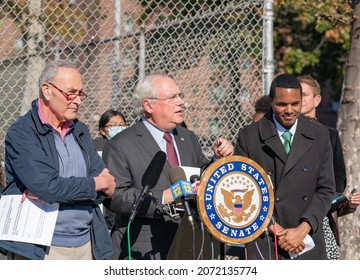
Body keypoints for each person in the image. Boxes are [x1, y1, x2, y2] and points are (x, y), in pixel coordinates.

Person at [102, 73, 234, 260]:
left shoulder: (187, 137)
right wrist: (161, 198)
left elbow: (200, 178)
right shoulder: (121, 144)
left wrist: (216, 160)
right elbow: (115, 197)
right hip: (144, 247)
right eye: (172, 98)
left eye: (180, 96)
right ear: (149, 105)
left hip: (190, 240)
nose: (181, 102)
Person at [0, 60, 116, 260]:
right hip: (41, 248)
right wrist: (94, 184)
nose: (78, 100)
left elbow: (107, 187)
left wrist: (61, 189)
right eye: (71, 93)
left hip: (87, 243)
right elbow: (49, 187)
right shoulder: (23, 133)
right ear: (47, 90)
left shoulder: (80, 130)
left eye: (81, 93)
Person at [234, 73, 335, 260]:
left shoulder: (319, 134)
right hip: (266, 239)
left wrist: (303, 229)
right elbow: (241, 188)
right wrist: (273, 228)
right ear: (271, 101)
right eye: (282, 104)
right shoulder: (249, 136)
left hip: (307, 239)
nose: (289, 110)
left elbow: (326, 188)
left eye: (295, 104)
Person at [298, 74, 360, 259]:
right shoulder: (285, 134)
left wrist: (341, 201)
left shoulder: (330, 135)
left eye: (304, 95)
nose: (299, 100)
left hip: (319, 217)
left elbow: (338, 180)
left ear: (317, 100)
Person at [93, 109, 127, 231]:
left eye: (121, 125)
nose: (117, 128)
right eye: (112, 126)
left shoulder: (130, 147)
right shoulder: (96, 149)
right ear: (102, 130)